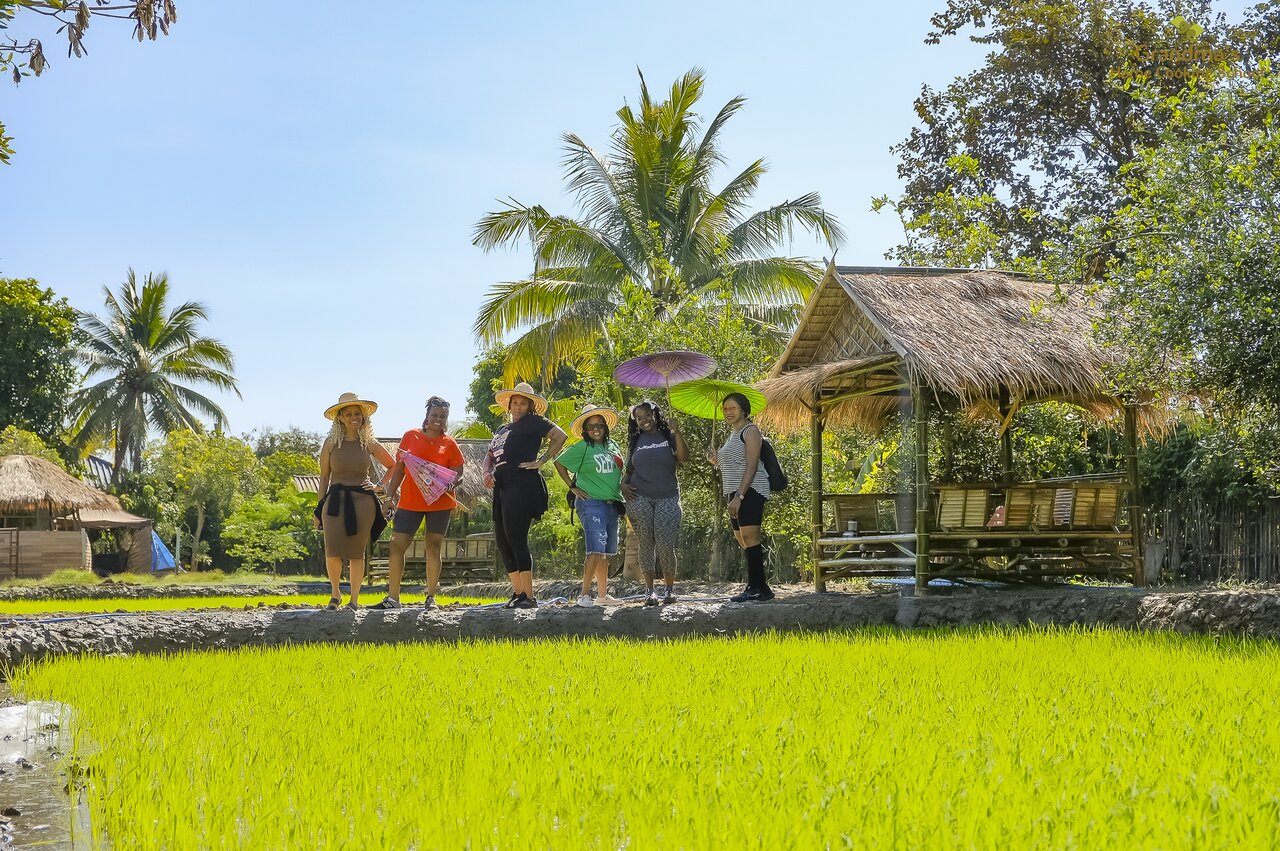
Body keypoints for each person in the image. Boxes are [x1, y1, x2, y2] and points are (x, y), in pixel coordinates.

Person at [372, 396, 465, 611]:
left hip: (440, 503)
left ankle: (431, 597)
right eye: (434, 415)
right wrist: (389, 497)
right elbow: (399, 469)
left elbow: (459, 472)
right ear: (427, 415)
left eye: (443, 416)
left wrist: (452, 483)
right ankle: (393, 599)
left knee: (433, 546)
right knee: (397, 545)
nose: (438, 419)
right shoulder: (410, 436)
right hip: (410, 502)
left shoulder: (449, 443)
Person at [482, 382, 567, 609]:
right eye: (515, 403)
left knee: (516, 537)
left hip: (521, 484)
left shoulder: (535, 422)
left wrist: (541, 460)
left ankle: (529, 596)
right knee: (502, 540)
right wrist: (486, 472)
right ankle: (518, 592)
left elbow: (560, 436)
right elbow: (490, 455)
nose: (518, 407)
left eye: (523, 403)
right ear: (509, 405)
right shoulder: (502, 429)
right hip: (501, 486)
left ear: (530, 406)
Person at [315, 393, 395, 610]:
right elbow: (324, 477)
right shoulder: (330, 443)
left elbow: (393, 465)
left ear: (363, 417)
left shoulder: (369, 443)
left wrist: (379, 485)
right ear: (340, 418)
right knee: (332, 549)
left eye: (357, 414)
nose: (354, 418)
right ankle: (335, 594)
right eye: (348, 414)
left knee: (356, 552)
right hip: (334, 502)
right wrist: (318, 509)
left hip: (363, 503)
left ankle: (354, 600)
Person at [554, 405, 625, 608]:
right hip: (591, 503)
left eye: (600, 425)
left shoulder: (613, 445)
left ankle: (602, 595)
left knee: (605, 553)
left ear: (605, 427)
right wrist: (572, 486)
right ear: (585, 429)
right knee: (594, 549)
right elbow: (559, 462)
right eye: (591, 426)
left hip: (612, 504)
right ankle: (584, 594)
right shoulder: (582, 447)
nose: (596, 429)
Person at [707, 392, 774, 602]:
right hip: (733, 491)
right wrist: (715, 460)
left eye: (733, 407)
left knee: (750, 537)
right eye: (725, 408)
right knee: (741, 538)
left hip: (750, 490)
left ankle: (755, 588)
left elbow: (751, 466)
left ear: (744, 410)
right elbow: (734, 465)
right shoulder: (733, 434)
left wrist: (740, 496)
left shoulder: (750, 431)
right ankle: (760, 586)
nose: (728, 411)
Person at [621, 400, 688, 606]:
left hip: (667, 496)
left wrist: (677, 432)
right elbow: (629, 470)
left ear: (655, 414)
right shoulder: (636, 441)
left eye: (647, 415)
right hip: (639, 497)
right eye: (639, 418)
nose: (644, 420)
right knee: (646, 543)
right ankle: (649, 591)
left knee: (665, 543)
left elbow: (684, 457)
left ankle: (669, 589)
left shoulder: (668, 435)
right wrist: (622, 486)